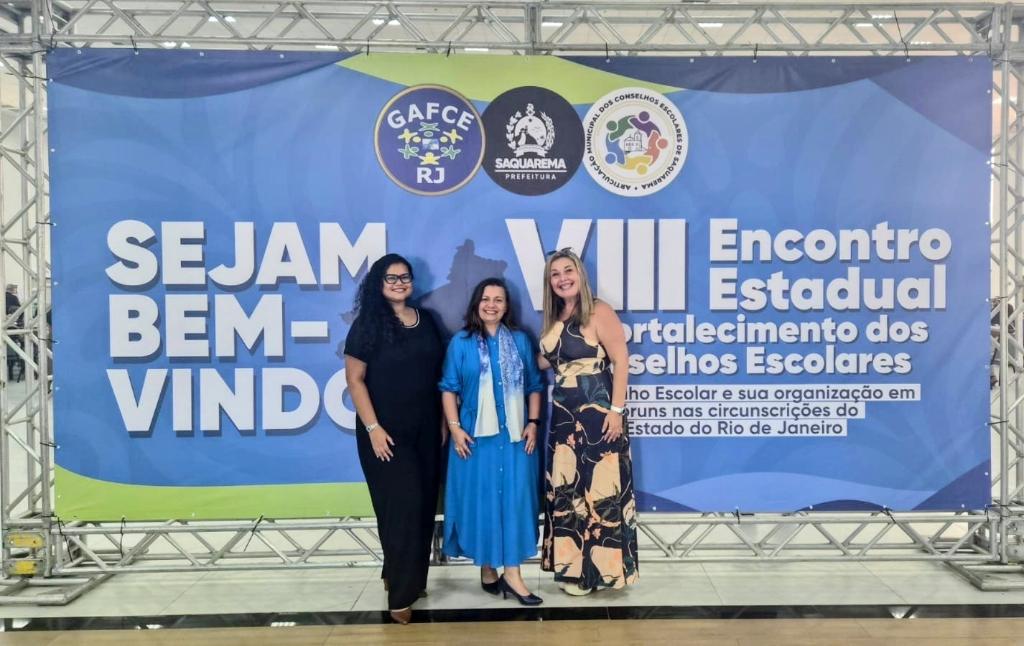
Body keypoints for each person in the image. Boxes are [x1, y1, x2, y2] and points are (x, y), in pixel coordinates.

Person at [343, 254, 445, 625]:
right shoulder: (368, 324)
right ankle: (400, 597)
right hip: (384, 434)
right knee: (402, 509)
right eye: (391, 277)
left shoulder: (427, 321)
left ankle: (407, 577)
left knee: (423, 508)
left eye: (405, 277)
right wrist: (373, 428)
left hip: (427, 430)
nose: (400, 283)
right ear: (378, 283)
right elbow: (355, 380)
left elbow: (438, 376)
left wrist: (443, 422)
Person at [538, 248, 639, 595]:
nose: (562, 278)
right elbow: (547, 360)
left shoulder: (598, 310)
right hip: (563, 418)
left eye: (568, 270)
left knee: (599, 491)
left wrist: (616, 411)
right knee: (568, 490)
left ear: (580, 274)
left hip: (598, 414)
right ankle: (573, 570)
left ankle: (599, 574)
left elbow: (621, 361)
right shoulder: (554, 316)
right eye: (555, 274)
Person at [439, 278, 544, 606]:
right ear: (476, 303)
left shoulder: (521, 341)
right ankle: (488, 567)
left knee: (513, 503)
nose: (492, 305)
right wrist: (455, 428)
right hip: (474, 440)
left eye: (499, 299)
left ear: (506, 306)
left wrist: (533, 423)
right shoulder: (461, 343)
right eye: (486, 298)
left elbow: (535, 386)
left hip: (515, 440)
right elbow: (448, 388)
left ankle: (512, 574)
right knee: (482, 502)